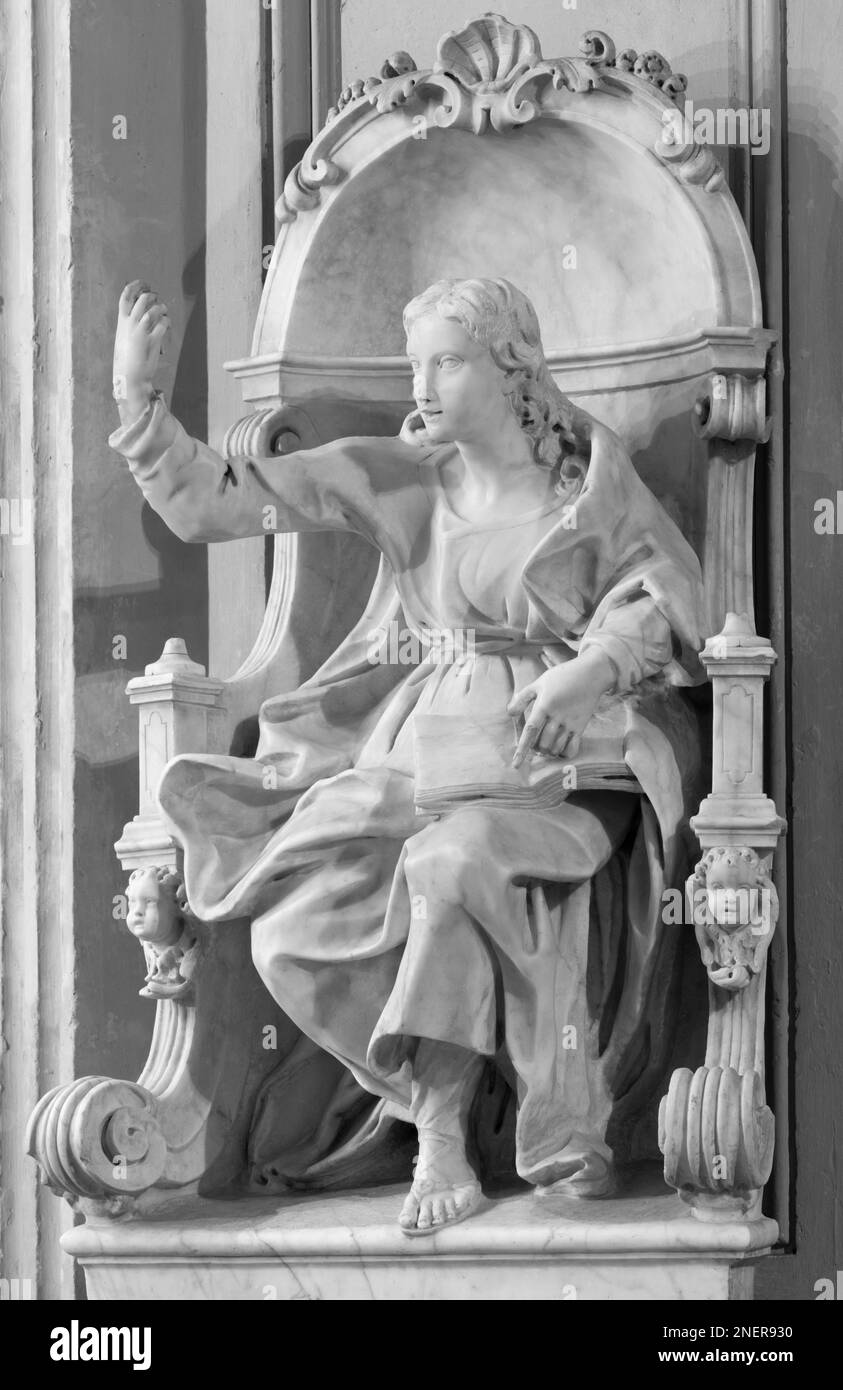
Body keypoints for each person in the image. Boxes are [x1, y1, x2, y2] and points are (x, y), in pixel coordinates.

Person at [110, 275, 705, 1234]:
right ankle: (439, 1096)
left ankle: (441, 1129)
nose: (419, 385)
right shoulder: (396, 475)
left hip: (555, 762)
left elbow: (670, 596)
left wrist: (589, 671)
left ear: (512, 369)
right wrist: (138, 405)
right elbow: (215, 504)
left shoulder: (584, 487)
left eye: (446, 361)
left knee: (453, 862)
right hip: (420, 749)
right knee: (286, 938)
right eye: (413, 362)